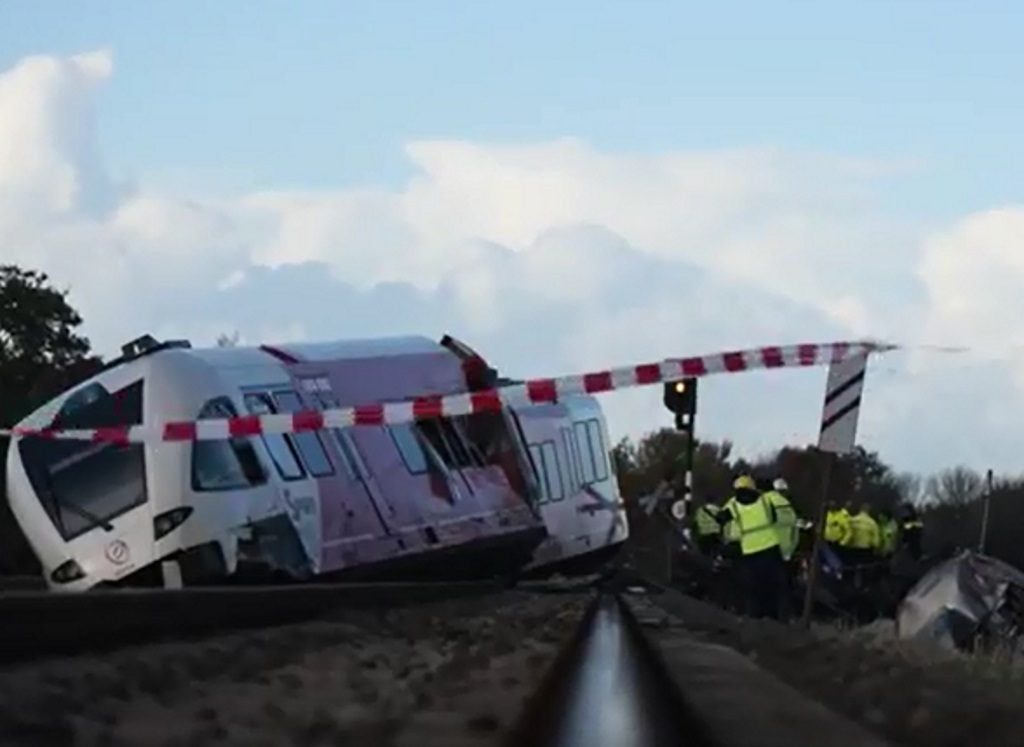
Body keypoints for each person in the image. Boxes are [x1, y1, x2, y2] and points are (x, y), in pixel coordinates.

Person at [717, 474, 788, 619]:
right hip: (771, 546)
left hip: (750, 550)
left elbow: (720, 518)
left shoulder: (734, 504)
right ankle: (776, 619)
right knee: (774, 586)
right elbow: (781, 517)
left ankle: (755, 619)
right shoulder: (765, 499)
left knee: (753, 588)